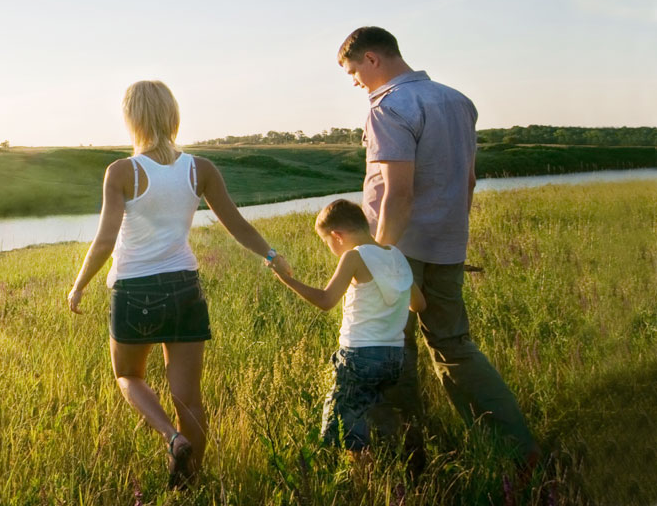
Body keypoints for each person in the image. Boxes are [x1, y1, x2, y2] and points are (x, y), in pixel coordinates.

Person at [66, 80, 289, 488]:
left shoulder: (122, 171)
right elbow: (235, 223)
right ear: (172, 115)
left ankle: (172, 438)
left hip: (135, 290)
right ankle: (190, 484)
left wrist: (79, 284)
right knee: (189, 397)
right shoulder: (199, 168)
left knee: (128, 376)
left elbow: (104, 240)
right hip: (185, 286)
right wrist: (272, 256)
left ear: (131, 119)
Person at [336, 26, 539, 464]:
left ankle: (405, 457)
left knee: (390, 348)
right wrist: (452, 235)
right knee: (454, 345)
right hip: (447, 243)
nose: (354, 82)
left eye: (353, 72)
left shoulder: (389, 105)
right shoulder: (458, 100)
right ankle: (515, 450)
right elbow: (468, 178)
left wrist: (379, 257)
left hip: (398, 248)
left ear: (372, 59)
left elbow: (397, 193)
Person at [266, 199, 425, 461]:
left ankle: (365, 488)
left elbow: (326, 301)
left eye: (326, 242)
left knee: (350, 434)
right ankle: (395, 473)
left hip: (359, 356)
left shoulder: (354, 256)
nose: (330, 249)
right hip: (395, 356)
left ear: (337, 236)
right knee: (380, 422)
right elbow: (418, 305)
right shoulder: (397, 255)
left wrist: (286, 277)